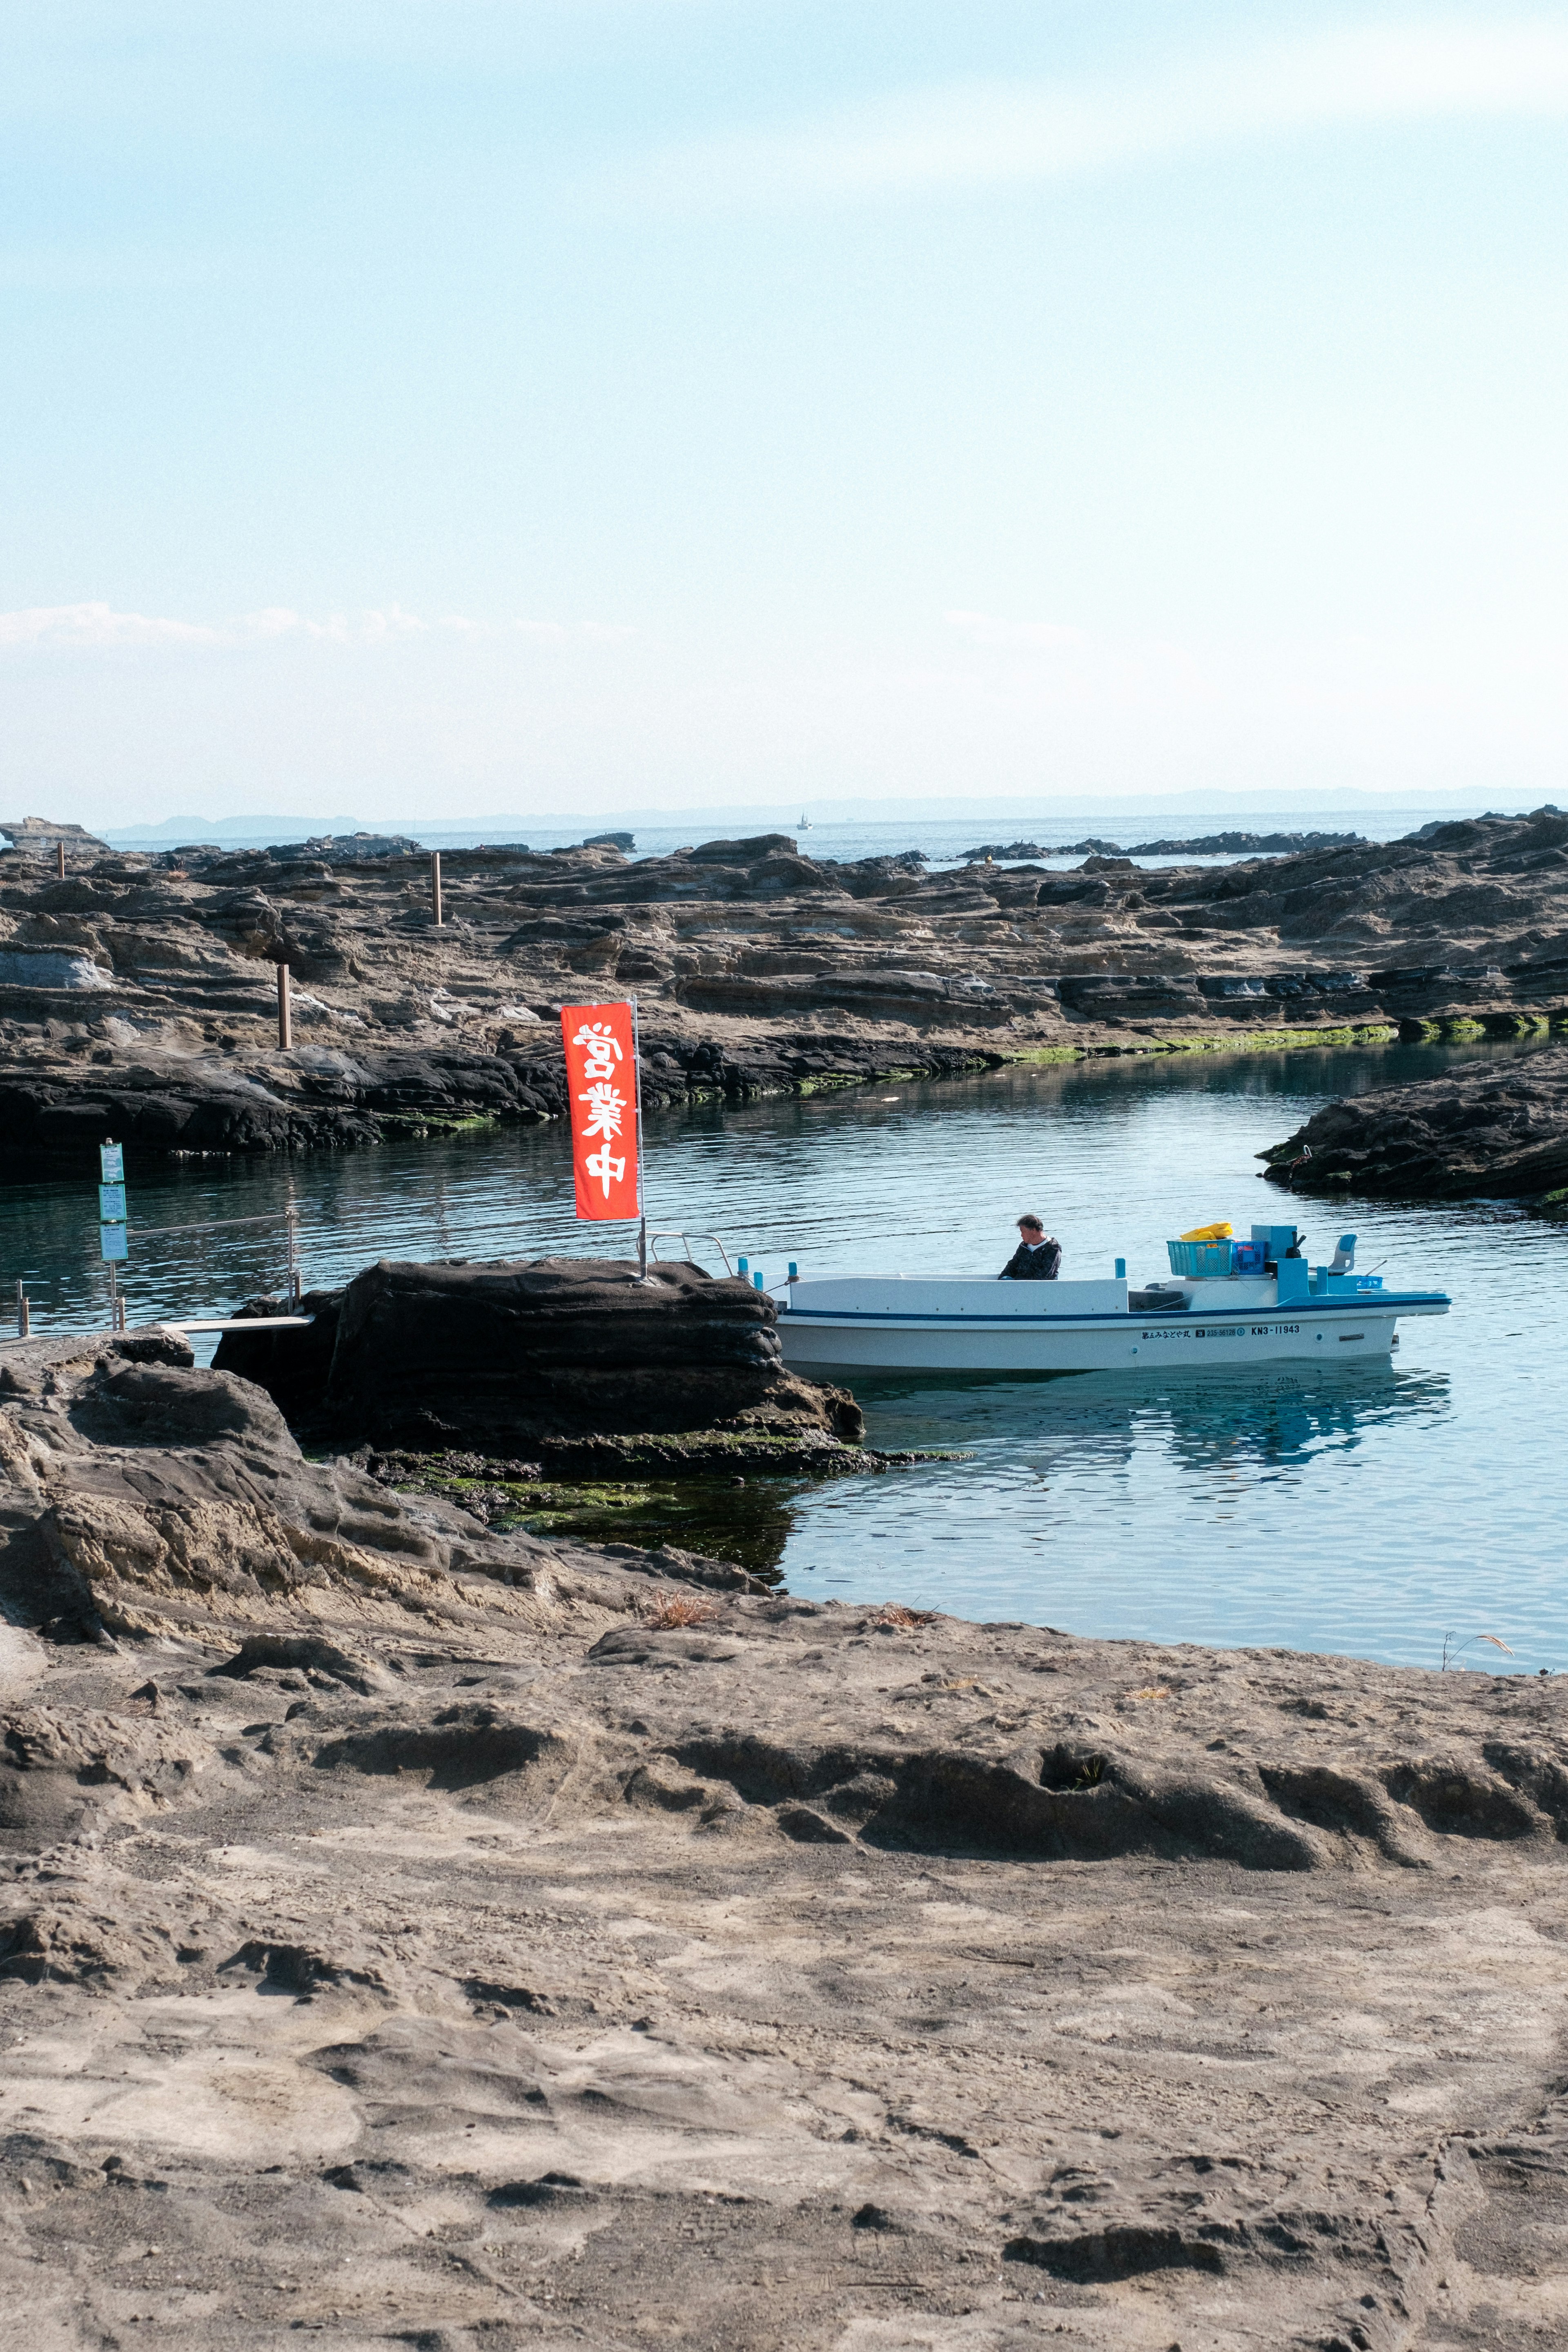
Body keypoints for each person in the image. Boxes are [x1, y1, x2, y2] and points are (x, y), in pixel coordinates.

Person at [999, 1216, 1061, 1280]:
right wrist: (998, 1283)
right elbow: (1012, 1266)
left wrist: (1020, 1282)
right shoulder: (1024, 1247)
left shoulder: (1053, 1248)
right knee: (1005, 1278)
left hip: (1042, 1287)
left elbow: (1046, 1274)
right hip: (1019, 1285)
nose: (1021, 1235)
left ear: (1033, 1231)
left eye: (1023, 1231)